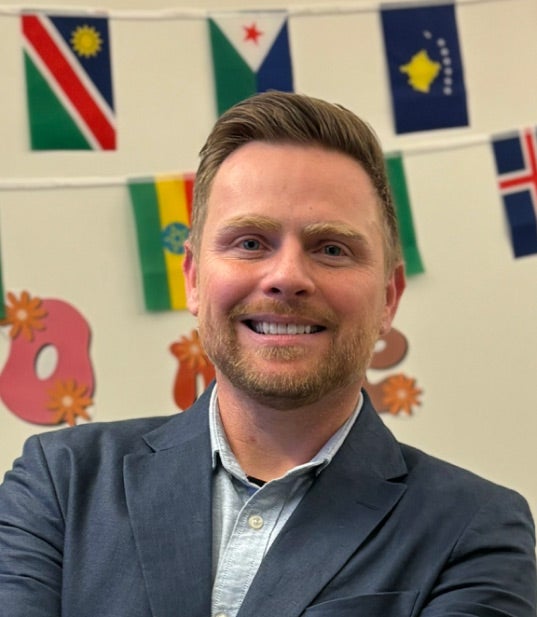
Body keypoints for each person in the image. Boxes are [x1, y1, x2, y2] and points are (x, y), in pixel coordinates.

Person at [0, 91, 535, 617]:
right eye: (251, 242)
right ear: (192, 279)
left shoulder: (475, 529)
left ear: (388, 299)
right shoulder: (60, 484)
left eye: (332, 248)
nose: (286, 278)